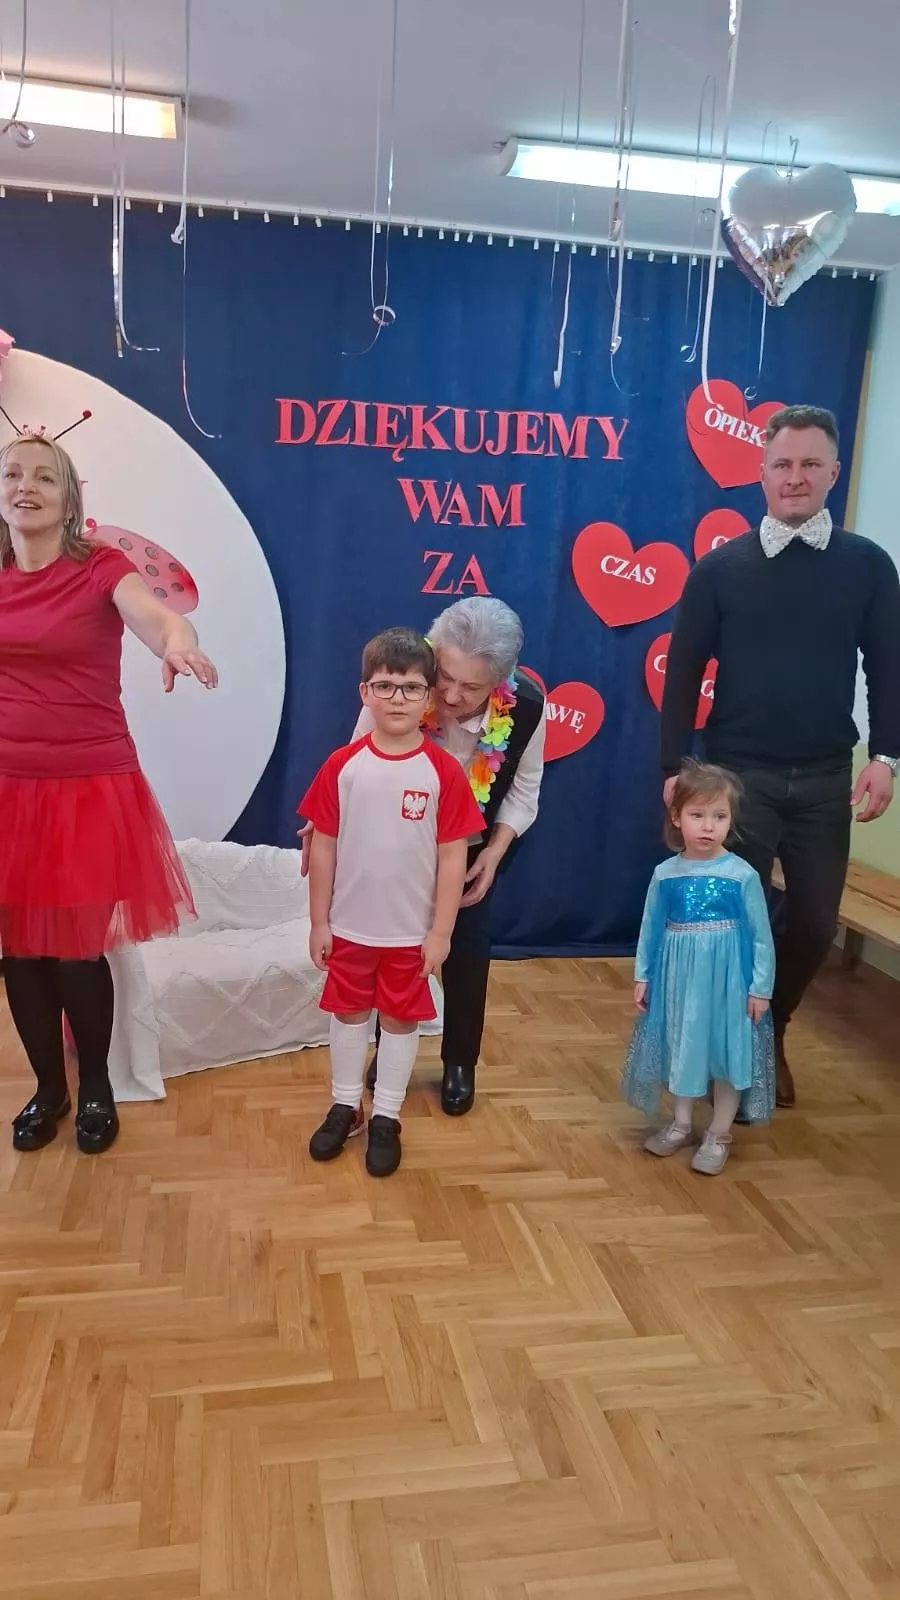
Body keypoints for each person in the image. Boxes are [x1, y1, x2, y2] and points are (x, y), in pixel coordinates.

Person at [661, 405, 900, 1108]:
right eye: (783, 464)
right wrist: (672, 769)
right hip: (737, 777)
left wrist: (886, 756)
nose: (795, 477)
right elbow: (682, 674)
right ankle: (724, 1044)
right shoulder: (719, 570)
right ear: (762, 473)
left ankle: (771, 1031)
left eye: (809, 464)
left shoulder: (868, 566)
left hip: (826, 777)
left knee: (816, 926)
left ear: (834, 472)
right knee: (730, 924)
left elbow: (888, 667)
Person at [0, 432, 217, 1155]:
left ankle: (95, 1084)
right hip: (8, 789)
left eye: (44, 477)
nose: (25, 486)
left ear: (69, 501)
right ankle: (49, 1089)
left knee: (74, 954)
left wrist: (178, 641)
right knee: (18, 953)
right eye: (13, 474)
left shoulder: (100, 566)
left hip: (87, 786)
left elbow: (157, 617)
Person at [300, 596, 545, 1116]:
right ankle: (387, 1051)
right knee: (387, 951)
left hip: (470, 849)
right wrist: (324, 825)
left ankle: (459, 1062)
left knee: (466, 954)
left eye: (471, 688)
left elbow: (525, 789)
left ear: (501, 680)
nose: (451, 695)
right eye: (445, 678)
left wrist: (495, 850)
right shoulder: (404, 682)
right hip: (393, 846)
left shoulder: (526, 706)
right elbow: (355, 767)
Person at [298, 627, 484, 1176]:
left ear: (429, 697)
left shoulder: (443, 772)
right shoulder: (343, 765)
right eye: (385, 686)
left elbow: (453, 857)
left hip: (410, 934)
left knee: (401, 1021)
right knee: (348, 1014)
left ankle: (386, 1116)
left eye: (410, 688)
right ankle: (345, 1105)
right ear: (365, 692)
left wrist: (442, 932)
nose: (397, 698)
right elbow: (323, 847)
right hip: (351, 928)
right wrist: (319, 921)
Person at [622, 763, 776, 1175]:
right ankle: (681, 1122)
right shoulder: (665, 874)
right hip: (680, 981)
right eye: (697, 815)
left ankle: (719, 1133)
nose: (708, 826)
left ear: (731, 820)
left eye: (719, 816)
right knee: (683, 1047)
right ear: (676, 818)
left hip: (729, 984)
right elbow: (651, 927)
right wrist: (643, 975)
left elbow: (761, 937)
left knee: (727, 1052)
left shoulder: (741, 875)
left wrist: (760, 989)